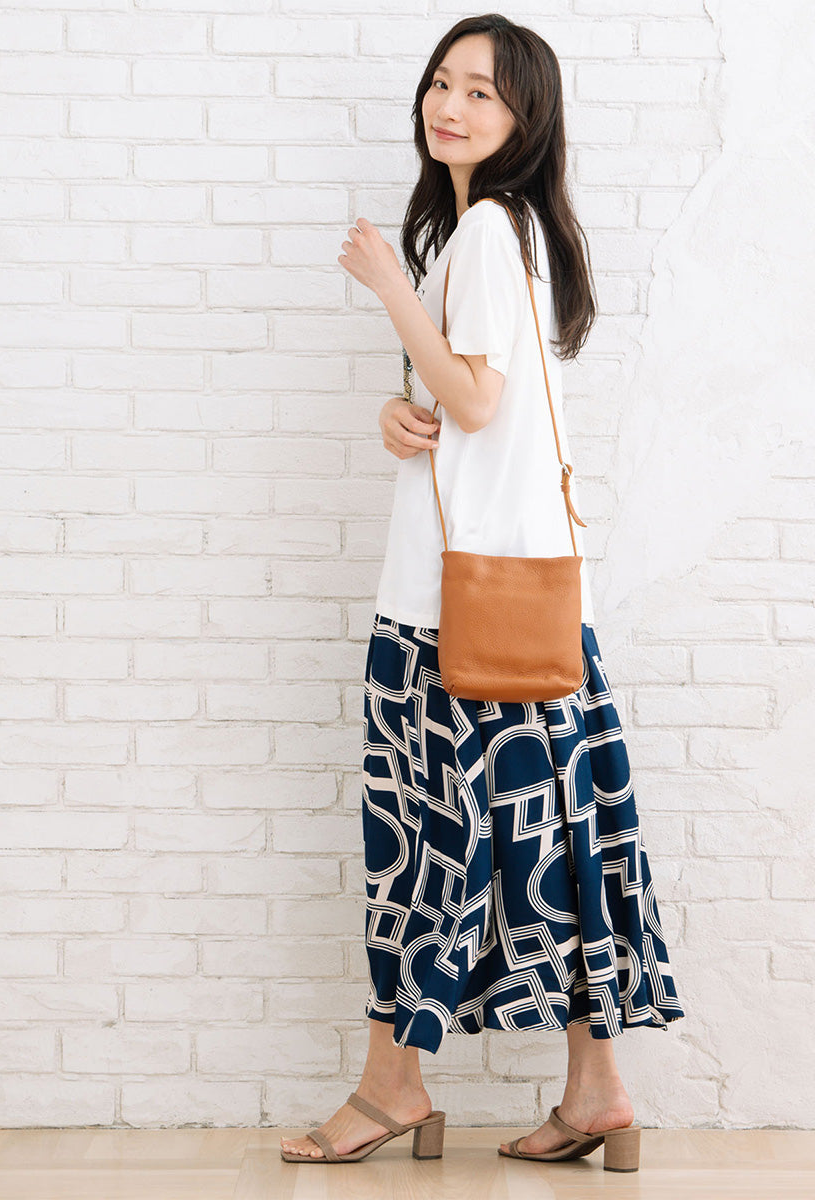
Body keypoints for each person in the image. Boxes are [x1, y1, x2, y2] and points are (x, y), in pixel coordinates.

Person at [280, 12, 685, 1169]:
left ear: (523, 121)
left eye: (483, 94)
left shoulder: (489, 231)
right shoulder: (501, 235)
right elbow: (460, 409)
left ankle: (390, 1087)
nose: (450, 107)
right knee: (553, 840)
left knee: (421, 842)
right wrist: (398, 413)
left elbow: (474, 400)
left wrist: (385, 288)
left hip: (450, 614)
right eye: (442, 83)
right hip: (527, 600)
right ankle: (596, 1090)